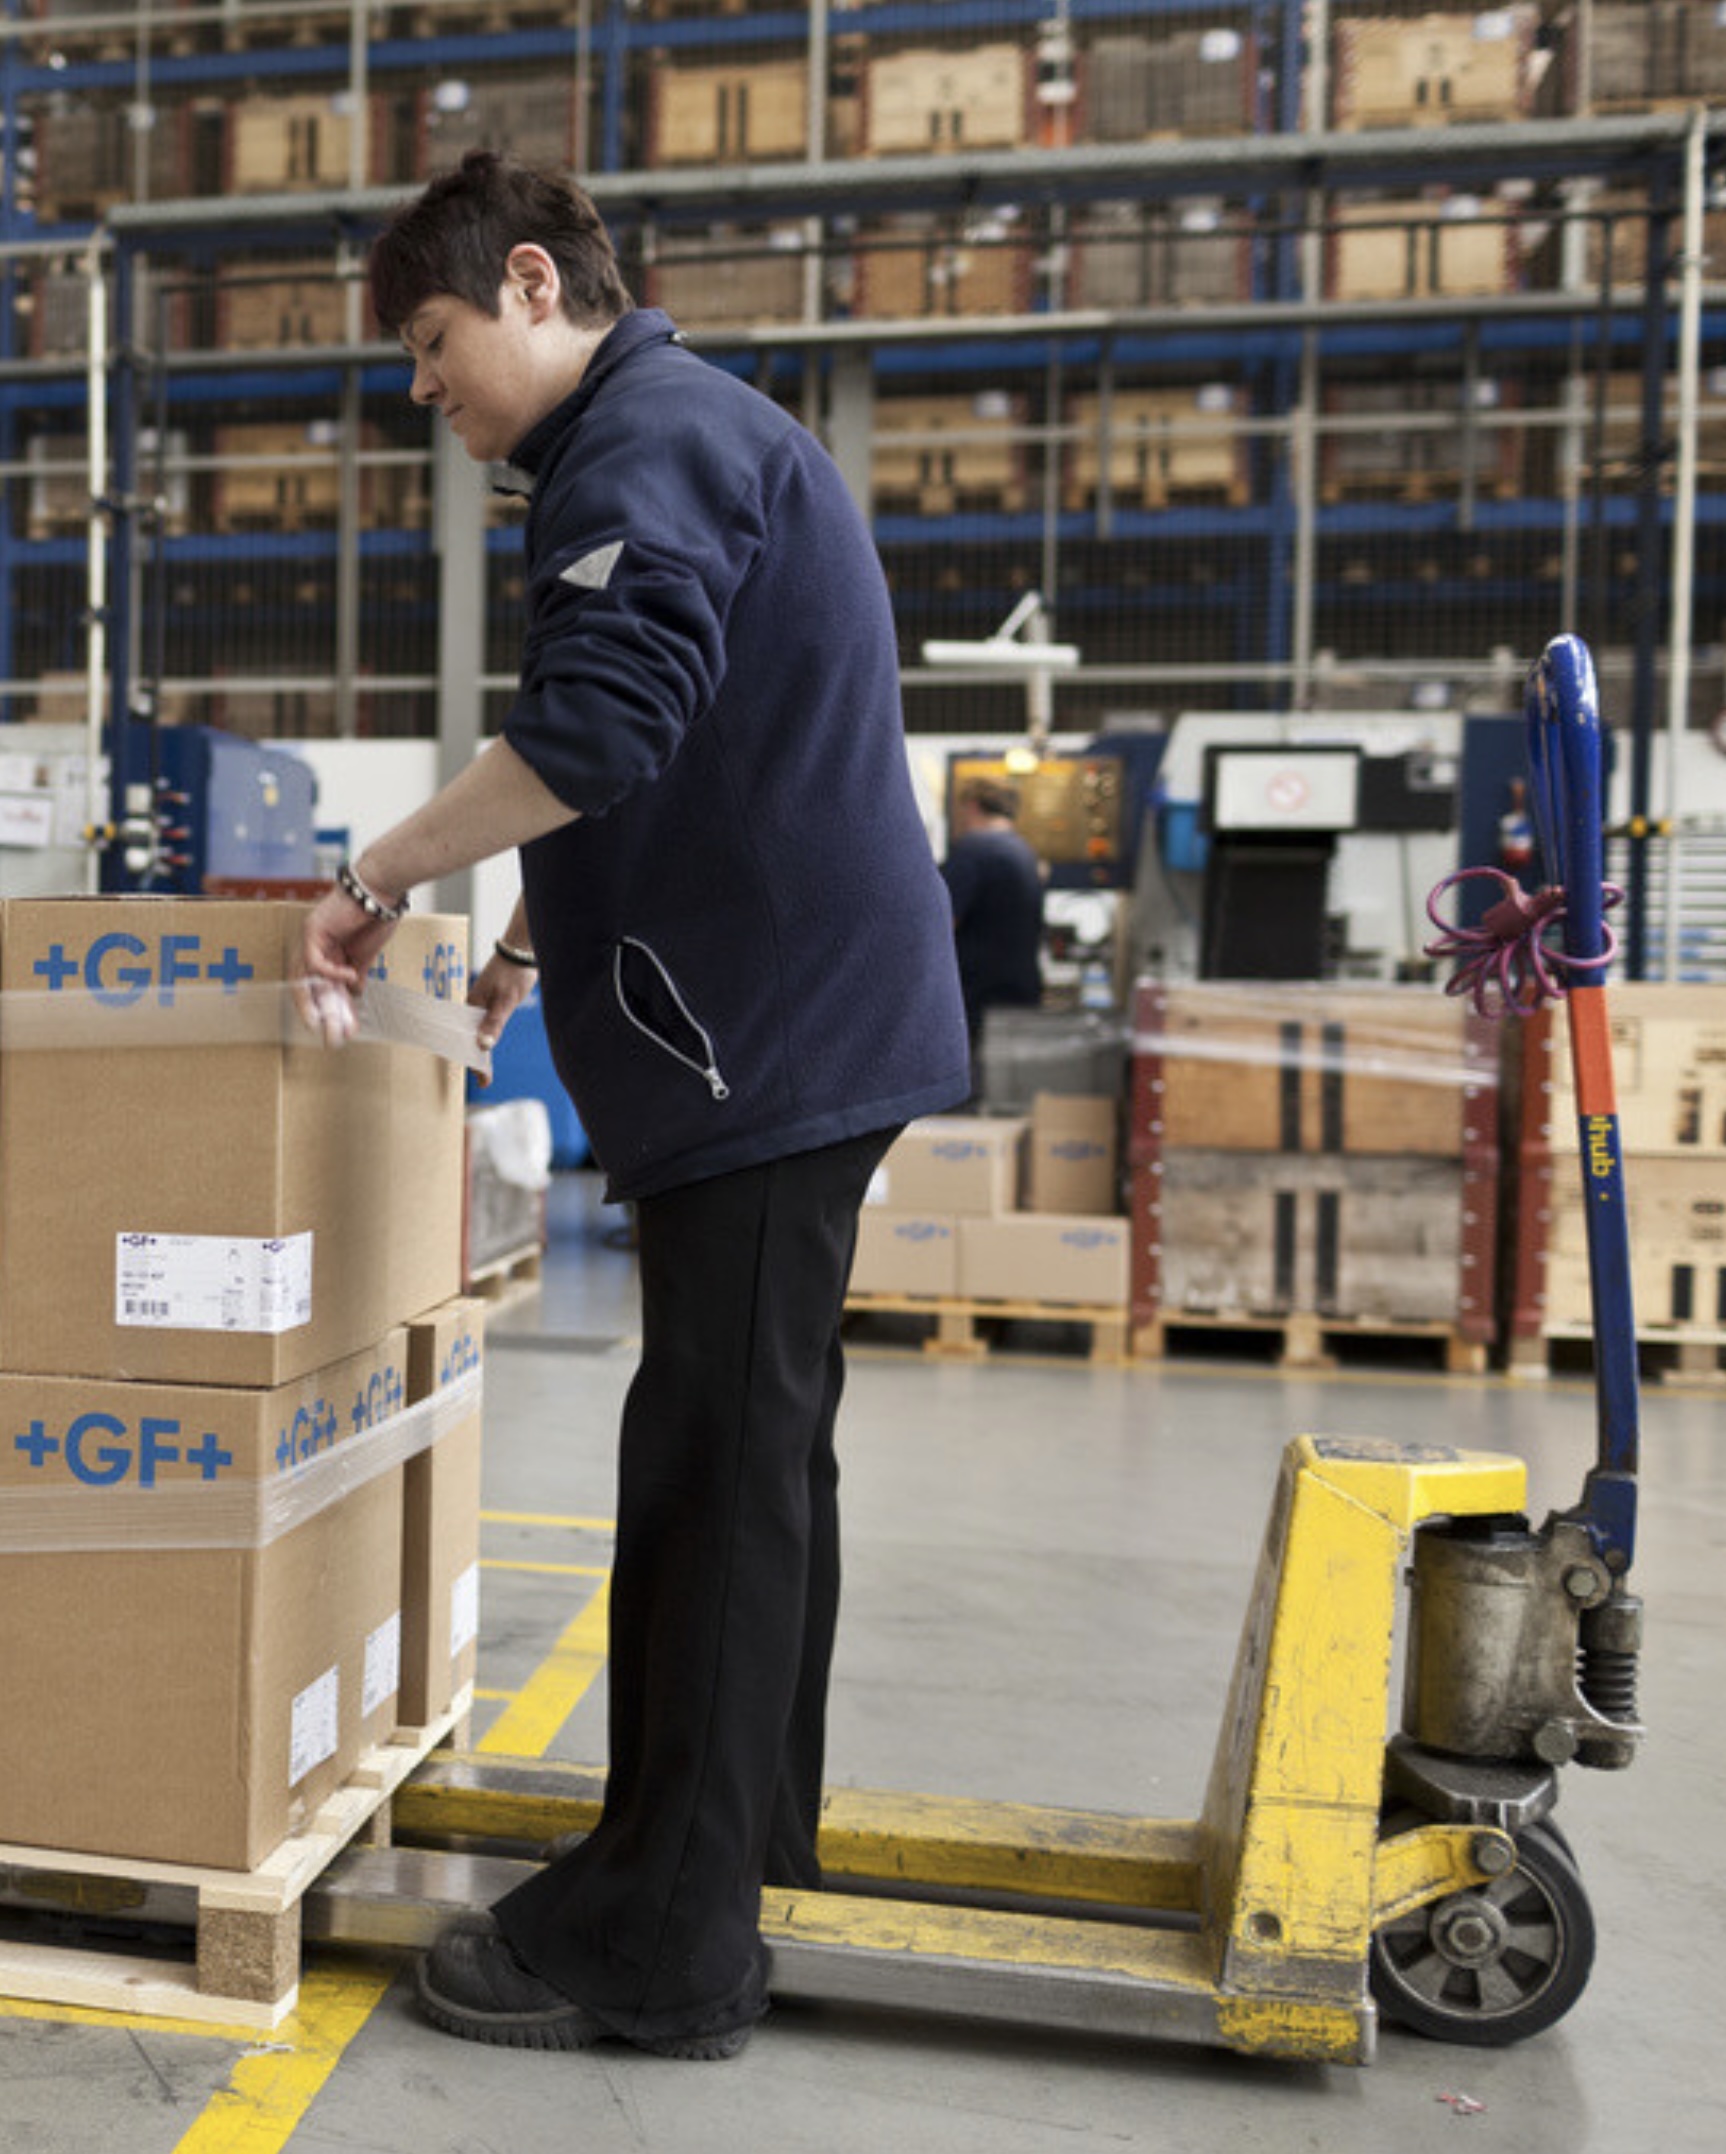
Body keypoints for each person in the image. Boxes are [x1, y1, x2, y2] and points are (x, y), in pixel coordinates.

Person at [298, 152, 970, 2061]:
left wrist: (375, 875)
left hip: (771, 1042)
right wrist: (526, 942)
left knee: (711, 1475)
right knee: (757, 1459)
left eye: (433, 340)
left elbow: (598, 728)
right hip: (788, 1031)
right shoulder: (672, 438)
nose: (423, 388)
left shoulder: (644, 438)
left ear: (532, 285)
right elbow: (659, 744)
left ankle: (666, 1942)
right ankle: (742, 1844)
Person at [940, 776, 1045, 1053]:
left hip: (978, 997)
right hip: (1019, 992)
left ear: (972, 806)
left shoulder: (973, 850)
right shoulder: (1024, 851)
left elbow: (940, 923)